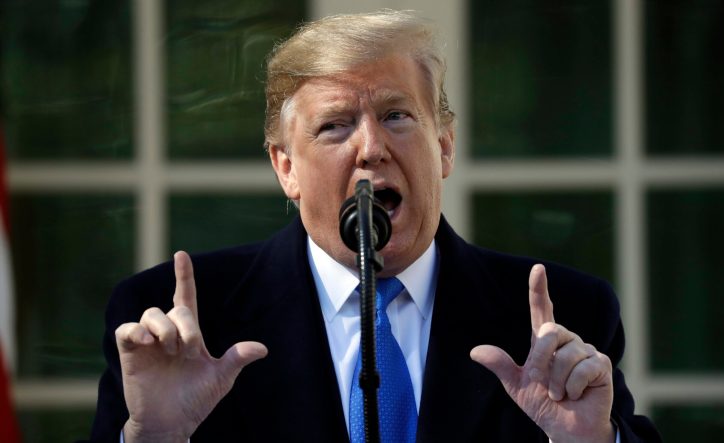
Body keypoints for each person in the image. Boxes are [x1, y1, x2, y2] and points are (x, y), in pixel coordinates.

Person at [89, 10, 660, 443]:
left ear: (444, 147)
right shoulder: (172, 322)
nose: (371, 148)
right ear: (285, 167)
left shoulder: (564, 317)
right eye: (335, 126)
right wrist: (155, 437)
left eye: (396, 115)